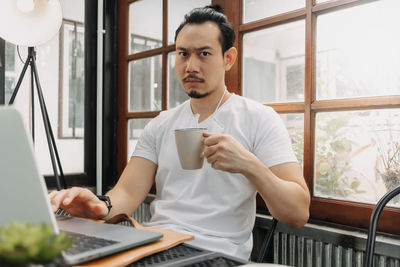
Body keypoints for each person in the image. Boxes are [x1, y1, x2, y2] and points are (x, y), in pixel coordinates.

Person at [49, 5, 310, 260]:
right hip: (155, 243)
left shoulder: (259, 119)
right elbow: (127, 194)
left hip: (215, 253)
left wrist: (250, 165)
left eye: (204, 54)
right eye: (183, 54)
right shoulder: (161, 124)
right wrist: (97, 205)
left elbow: (297, 213)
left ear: (228, 59)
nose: (191, 66)